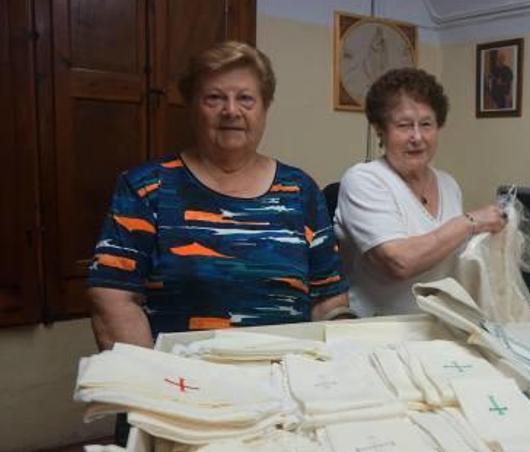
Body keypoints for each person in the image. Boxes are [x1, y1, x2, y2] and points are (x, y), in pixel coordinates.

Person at [87, 41, 350, 351]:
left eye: (246, 99)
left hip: (284, 380)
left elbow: (328, 298)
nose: (231, 111)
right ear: (192, 105)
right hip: (180, 384)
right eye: (214, 98)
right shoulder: (146, 188)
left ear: (265, 108)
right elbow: (113, 297)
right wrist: (150, 381)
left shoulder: (300, 190)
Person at [334, 68, 507, 317]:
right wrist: (471, 222)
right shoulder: (363, 180)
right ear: (381, 130)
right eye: (404, 125)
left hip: (439, 325)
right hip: (376, 332)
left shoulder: (449, 185)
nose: (417, 137)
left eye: (426, 124)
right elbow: (399, 261)